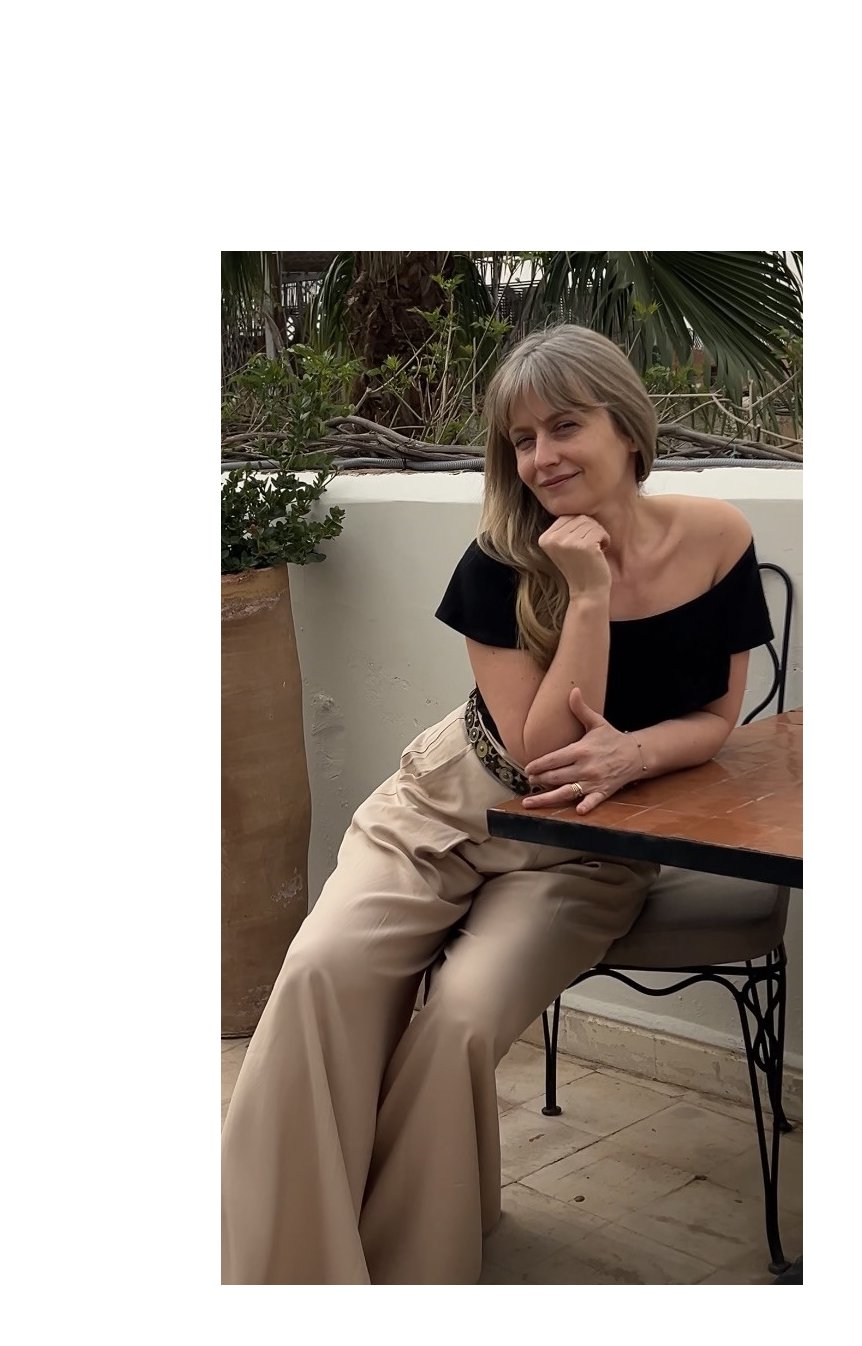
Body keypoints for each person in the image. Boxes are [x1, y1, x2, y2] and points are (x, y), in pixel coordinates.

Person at [221, 323, 773, 1285]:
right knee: (320, 970)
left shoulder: (719, 538)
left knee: (461, 1022)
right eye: (521, 439)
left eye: (565, 426)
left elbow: (718, 715)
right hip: (442, 807)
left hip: (587, 848)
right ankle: (289, 1270)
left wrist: (634, 752)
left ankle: (412, 1271)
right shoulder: (499, 561)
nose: (541, 456)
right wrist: (586, 595)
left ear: (627, 428)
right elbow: (536, 755)